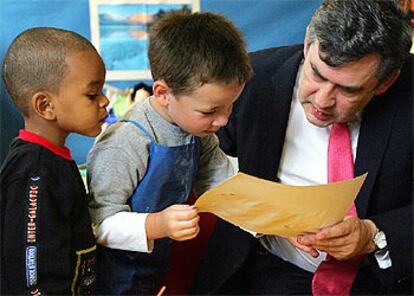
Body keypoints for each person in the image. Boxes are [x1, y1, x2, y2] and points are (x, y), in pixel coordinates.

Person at [191, 0, 413, 295]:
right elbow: (199, 159)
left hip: (384, 280)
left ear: (386, 81)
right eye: (317, 75)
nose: (322, 101)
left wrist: (374, 235)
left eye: (348, 89)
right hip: (270, 270)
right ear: (309, 41)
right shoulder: (250, 78)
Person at [86, 11, 252, 295]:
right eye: (210, 110)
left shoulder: (200, 132)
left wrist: (279, 218)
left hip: (157, 270)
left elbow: (225, 184)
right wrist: (157, 224)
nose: (224, 120)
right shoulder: (126, 140)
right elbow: (98, 223)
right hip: (113, 279)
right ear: (163, 93)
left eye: (230, 106)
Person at [0, 27, 109, 294]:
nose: (105, 101)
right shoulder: (34, 171)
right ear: (45, 106)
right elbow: (33, 277)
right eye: (93, 94)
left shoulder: (53, 159)